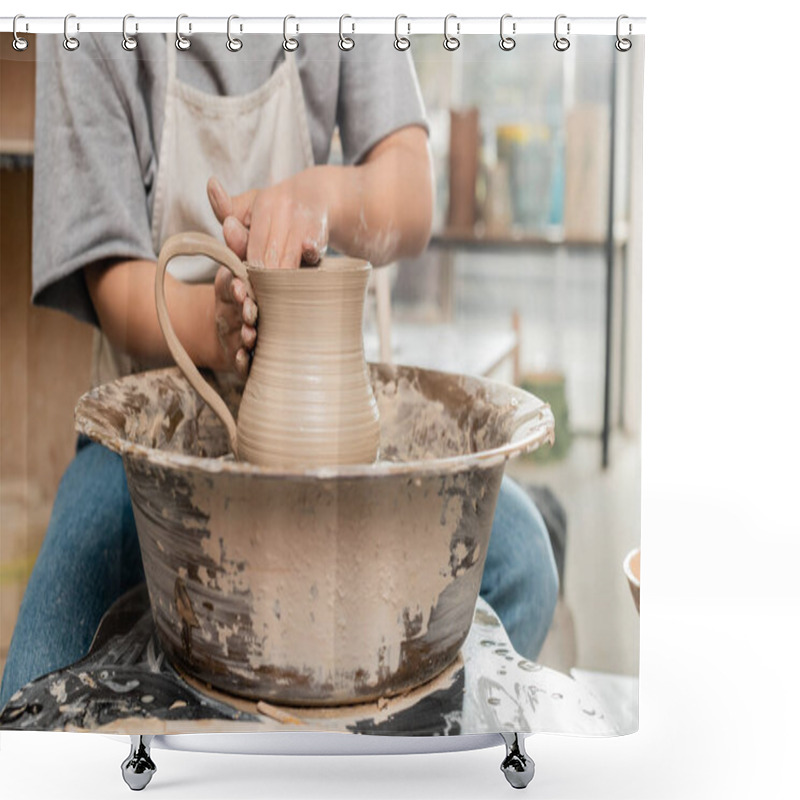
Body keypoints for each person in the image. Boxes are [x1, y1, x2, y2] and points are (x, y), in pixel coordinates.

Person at [0, 32, 557, 709]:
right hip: (156, 425)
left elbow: (410, 195)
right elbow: (114, 282)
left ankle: (350, 763)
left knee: (523, 559)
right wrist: (216, 326)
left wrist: (315, 200)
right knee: (34, 690)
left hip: (331, 430)